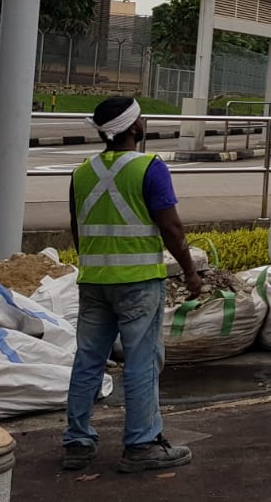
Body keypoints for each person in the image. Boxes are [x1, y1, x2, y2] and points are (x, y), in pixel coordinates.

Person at [62, 96, 200, 473]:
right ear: (135, 127)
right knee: (142, 362)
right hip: (138, 283)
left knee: (88, 360)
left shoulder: (81, 172)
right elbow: (171, 227)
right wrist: (189, 272)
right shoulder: (149, 167)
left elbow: (77, 227)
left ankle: (77, 442)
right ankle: (141, 444)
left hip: (94, 282)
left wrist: (95, 264)